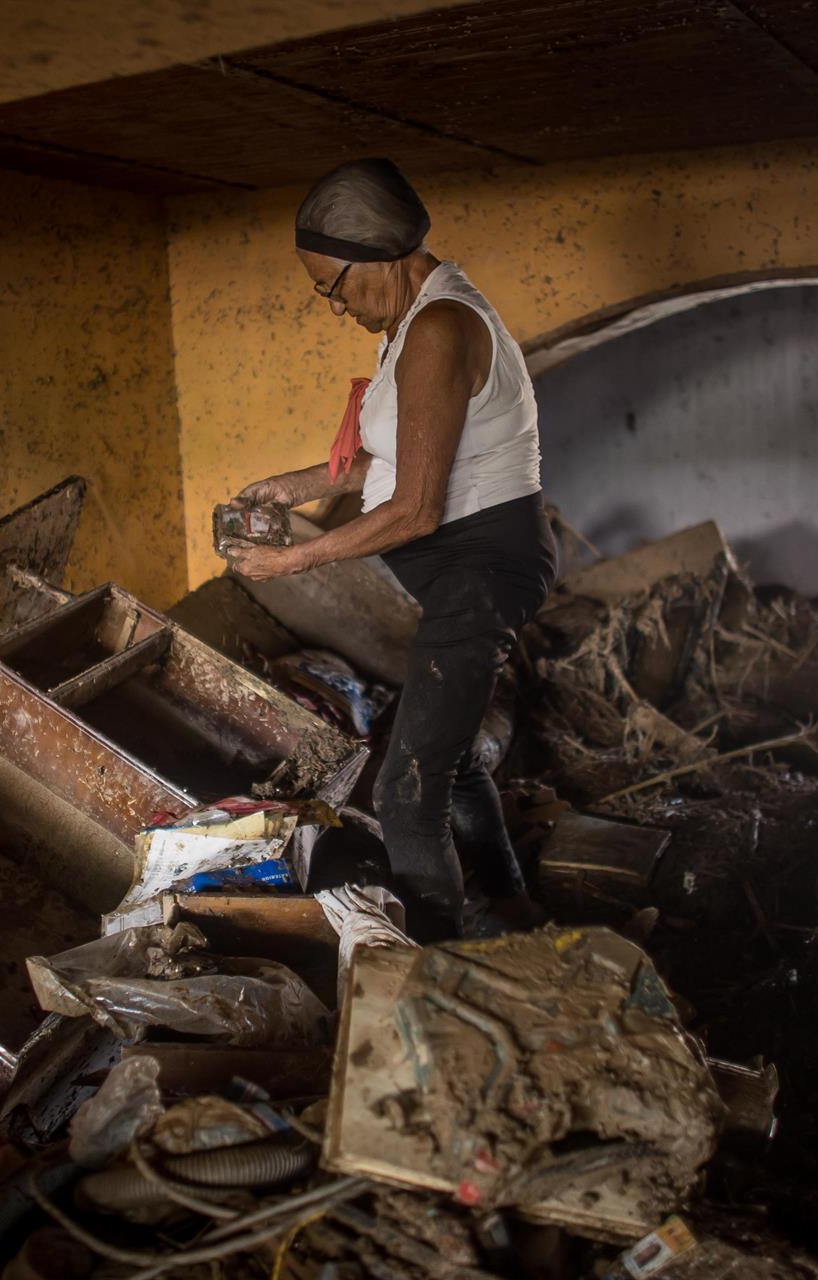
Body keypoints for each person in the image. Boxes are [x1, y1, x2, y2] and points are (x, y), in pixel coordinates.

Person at [222, 158, 556, 940]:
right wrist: (295, 487)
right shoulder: (415, 320)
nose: (334, 306)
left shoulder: (438, 327)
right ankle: (514, 909)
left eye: (333, 286)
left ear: (378, 255)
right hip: (464, 566)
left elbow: (413, 507)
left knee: (406, 792)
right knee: (449, 755)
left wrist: (291, 561)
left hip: (481, 565)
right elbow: (403, 454)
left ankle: (435, 973)